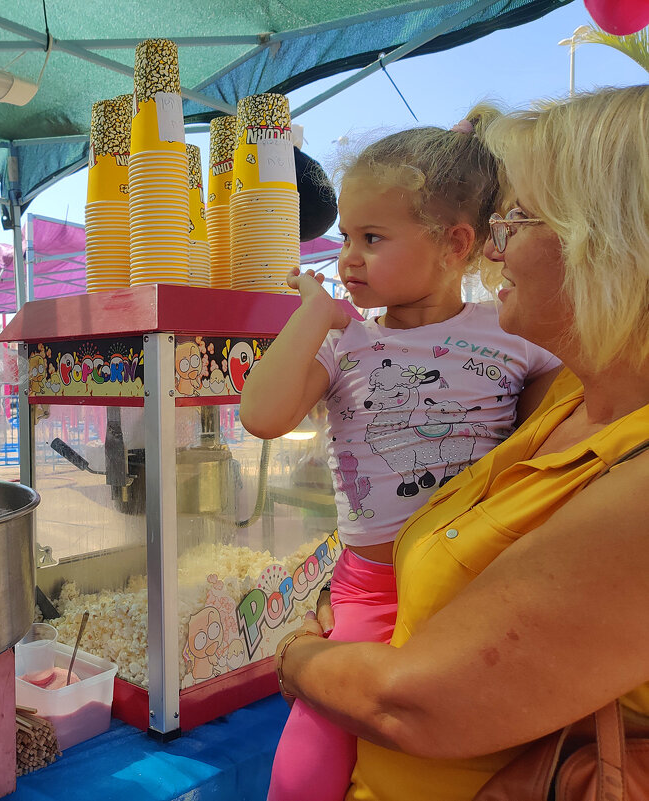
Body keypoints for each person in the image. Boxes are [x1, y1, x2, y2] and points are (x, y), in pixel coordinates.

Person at [273, 84, 649, 801]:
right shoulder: (576, 394)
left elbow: (411, 703)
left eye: (516, 217)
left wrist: (296, 658)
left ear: (606, 243)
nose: (494, 246)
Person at [239, 111, 562, 800]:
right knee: (308, 758)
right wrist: (312, 318)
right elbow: (262, 415)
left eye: (373, 237)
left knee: (448, 748)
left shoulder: (512, 333)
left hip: (469, 584)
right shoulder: (345, 340)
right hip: (370, 585)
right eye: (346, 236)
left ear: (455, 244)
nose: (348, 256)